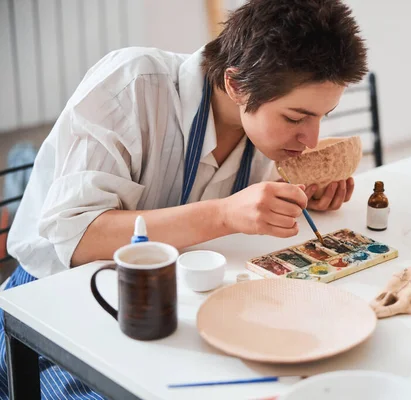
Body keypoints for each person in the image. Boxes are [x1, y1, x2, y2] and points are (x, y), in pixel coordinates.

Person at [2, 0, 368, 398]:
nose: (310, 139)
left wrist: (304, 197)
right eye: (296, 118)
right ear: (236, 84)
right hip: (55, 304)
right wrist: (226, 214)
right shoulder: (131, 86)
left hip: (171, 304)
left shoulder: (269, 131)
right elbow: (79, 239)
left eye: (322, 116)